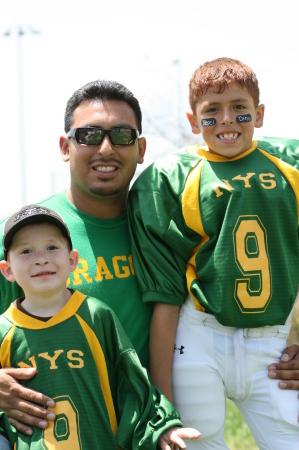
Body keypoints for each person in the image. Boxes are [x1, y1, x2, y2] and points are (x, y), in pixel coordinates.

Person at [0, 78, 298, 446]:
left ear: (141, 148)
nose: (105, 148)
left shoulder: (173, 217)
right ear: (66, 146)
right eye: (89, 136)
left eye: (122, 136)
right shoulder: (24, 241)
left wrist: (283, 346)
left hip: (151, 430)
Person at [128, 57, 299, 448]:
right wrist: (162, 404)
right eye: (212, 112)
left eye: (240, 108)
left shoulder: (290, 165)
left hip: (272, 343)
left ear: (259, 113)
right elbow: (166, 297)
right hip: (199, 335)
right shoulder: (170, 178)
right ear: (193, 122)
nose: (226, 120)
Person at [0, 204, 200, 449]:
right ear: (7, 270)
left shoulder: (97, 315)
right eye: (26, 251)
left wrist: (160, 428)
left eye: (52, 247)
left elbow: (131, 384)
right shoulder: (4, 331)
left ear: (73, 259)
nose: (41, 259)